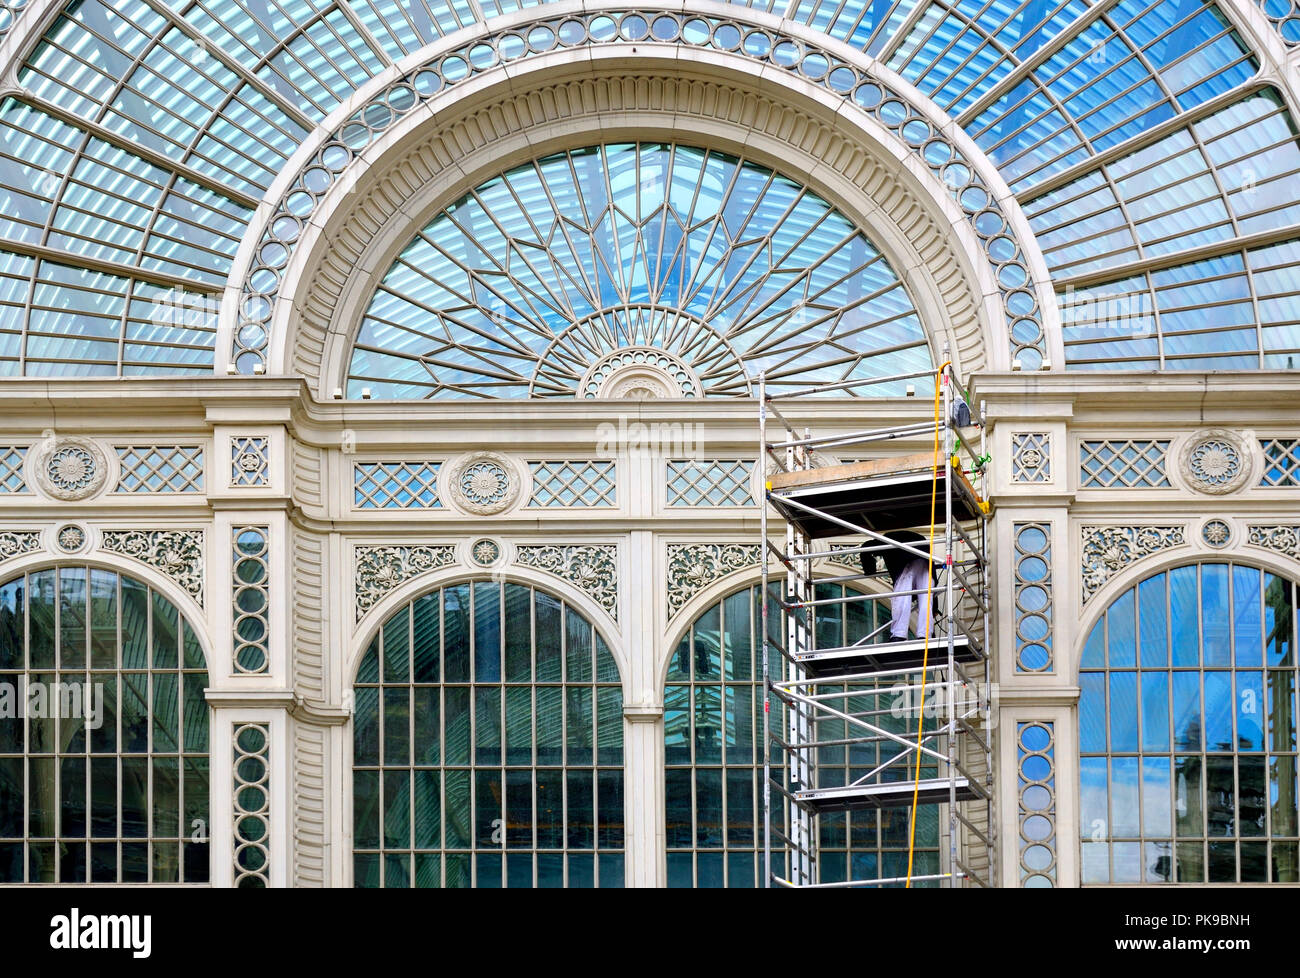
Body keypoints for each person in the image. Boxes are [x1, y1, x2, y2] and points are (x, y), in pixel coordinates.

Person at [861, 530, 937, 641]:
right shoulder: (889, 539)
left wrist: (869, 570)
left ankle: (899, 634)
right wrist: (935, 607)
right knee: (926, 597)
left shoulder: (884, 540)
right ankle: (925, 634)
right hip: (924, 558)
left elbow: (865, 549)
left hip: (905, 559)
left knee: (902, 597)